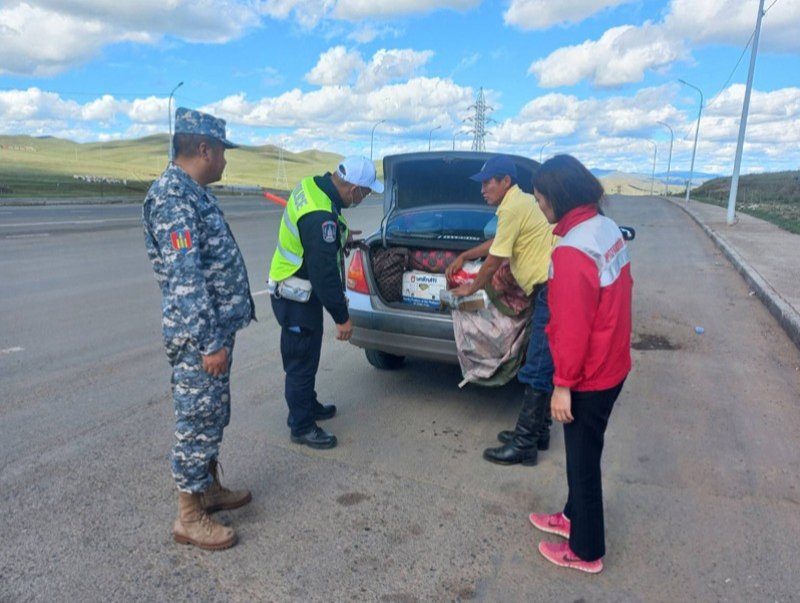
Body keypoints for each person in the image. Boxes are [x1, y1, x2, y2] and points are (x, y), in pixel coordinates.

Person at [143, 107, 255, 551]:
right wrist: (209, 341)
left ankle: (207, 490)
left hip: (213, 331)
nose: (226, 160)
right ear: (204, 149)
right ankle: (189, 517)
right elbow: (185, 278)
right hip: (198, 337)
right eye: (223, 151)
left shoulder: (193, 192)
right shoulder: (173, 197)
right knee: (196, 420)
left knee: (212, 415)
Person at [527, 155, 632, 574]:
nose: (539, 207)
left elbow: (571, 327)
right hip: (612, 362)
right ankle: (572, 517)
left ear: (558, 197)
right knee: (584, 451)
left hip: (589, 374)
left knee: (583, 462)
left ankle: (586, 551)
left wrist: (563, 383)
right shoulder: (603, 227)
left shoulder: (573, 250)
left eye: (539, 199)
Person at [446, 155, 557, 466]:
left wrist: (472, 288)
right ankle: (539, 432)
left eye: (487, 182)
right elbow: (498, 242)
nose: (483, 189)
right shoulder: (520, 202)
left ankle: (525, 444)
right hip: (545, 287)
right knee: (542, 360)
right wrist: (466, 253)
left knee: (536, 364)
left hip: (549, 289)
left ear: (505, 181)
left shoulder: (511, 206)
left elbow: (495, 260)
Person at [269, 156, 383, 449]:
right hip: (296, 293)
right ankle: (302, 426)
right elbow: (324, 273)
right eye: (365, 193)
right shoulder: (320, 215)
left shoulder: (313, 187)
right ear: (353, 188)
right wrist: (342, 317)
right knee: (301, 362)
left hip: (298, 291)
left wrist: (340, 239)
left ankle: (307, 405)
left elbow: (316, 241)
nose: (363, 199)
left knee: (307, 356)